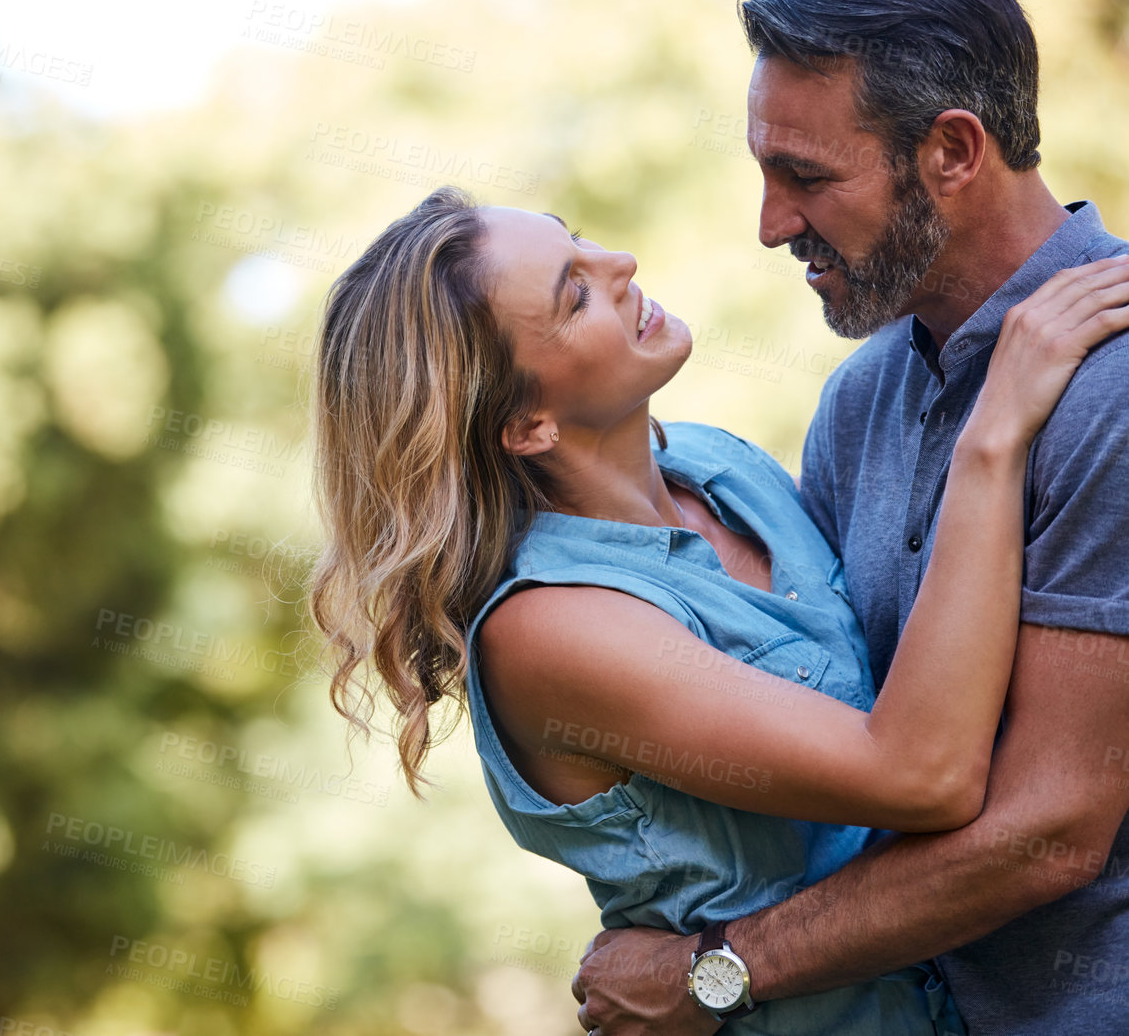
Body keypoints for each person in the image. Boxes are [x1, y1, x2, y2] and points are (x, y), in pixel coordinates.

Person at [307, 180, 1129, 1031]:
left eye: (580, 241)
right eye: (574, 293)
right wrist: (994, 434)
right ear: (525, 426)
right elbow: (923, 775)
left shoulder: (722, 468)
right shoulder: (550, 628)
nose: (619, 264)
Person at [570, 0, 1129, 1036]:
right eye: (764, 172)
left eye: (807, 177)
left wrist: (712, 971)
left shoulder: (1112, 389)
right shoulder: (859, 403)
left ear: (953, 152)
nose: (771, 223)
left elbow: (1050, 826)